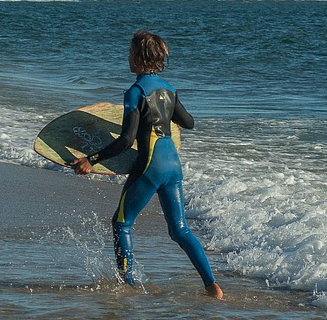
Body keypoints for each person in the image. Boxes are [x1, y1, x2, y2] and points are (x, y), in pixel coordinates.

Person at [70, 30, 224, 300]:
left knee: (121, 223)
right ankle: (212, 286)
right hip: (173, 165)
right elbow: (188, 122)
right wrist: (164, 116)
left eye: (130, 53)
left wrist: (91, 160)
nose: (127, 57)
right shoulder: (169, 89)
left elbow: (126, 140)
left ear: (139, 58)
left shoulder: (136, 91)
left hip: (150, 165)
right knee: (180, 230)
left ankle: (128, 284)